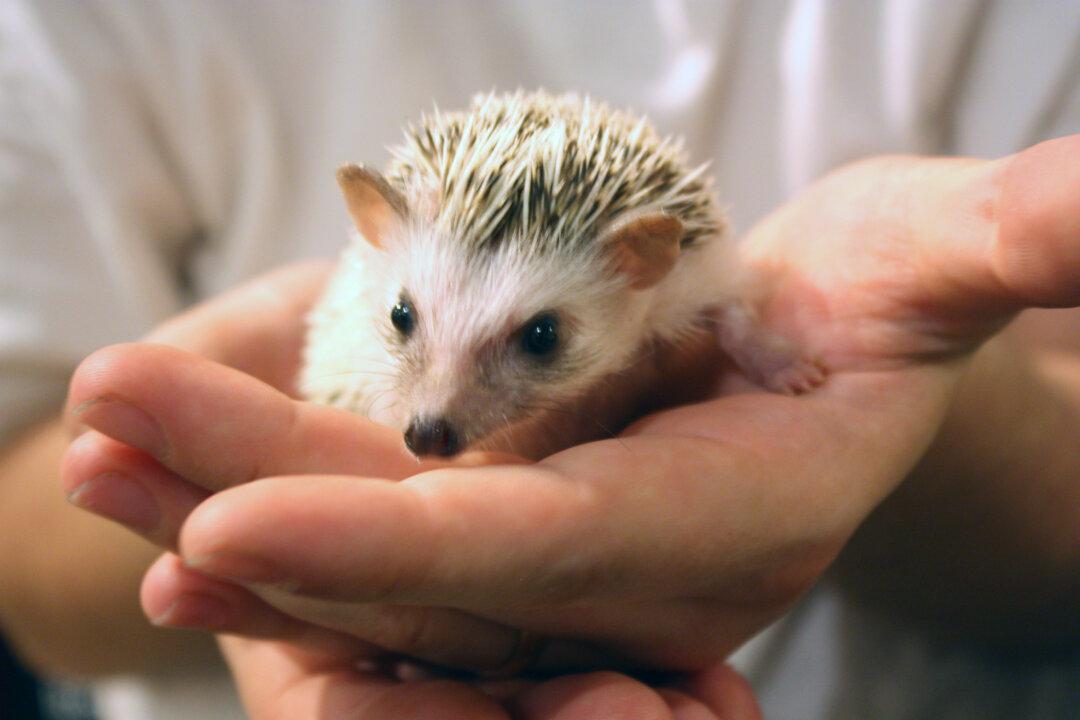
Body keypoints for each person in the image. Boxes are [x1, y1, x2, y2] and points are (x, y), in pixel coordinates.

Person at [2, 1, 1078, 718]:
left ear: (639, 267)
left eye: (538, 338)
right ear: (378, 232)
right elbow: (23, 549)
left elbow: (730, 305)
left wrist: (919, 417)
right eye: (409, 326)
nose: (436, 414)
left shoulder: (684, 264)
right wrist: (274, 558)